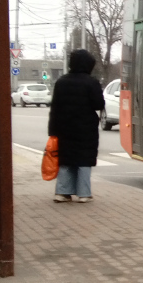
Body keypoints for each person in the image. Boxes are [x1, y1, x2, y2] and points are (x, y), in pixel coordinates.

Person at [48, 48, 105, 202]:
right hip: (85, 128)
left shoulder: (61, 82)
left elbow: (54, 108)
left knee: (65, 159)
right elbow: (98, 104)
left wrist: (52, 131)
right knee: (84, 160)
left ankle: (62, 192)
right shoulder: (91, 83)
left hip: (63, 127)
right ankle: (84, 194)